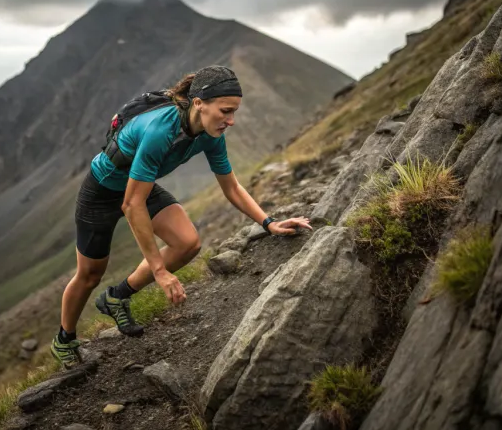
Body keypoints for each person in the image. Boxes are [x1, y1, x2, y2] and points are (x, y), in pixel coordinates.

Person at [50, 65, 312, 367]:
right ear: (199, 103)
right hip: (102, 192)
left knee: (187, 243)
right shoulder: (160, 130)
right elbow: (132, 205)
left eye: (234, 112)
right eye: (225, 111)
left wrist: (269, 223)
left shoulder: (212, 134)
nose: (231, 121)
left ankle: (116, 297)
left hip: (139, 186)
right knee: (89, 275)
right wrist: (160, 272)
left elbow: (232, 187)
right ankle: (64, 340)